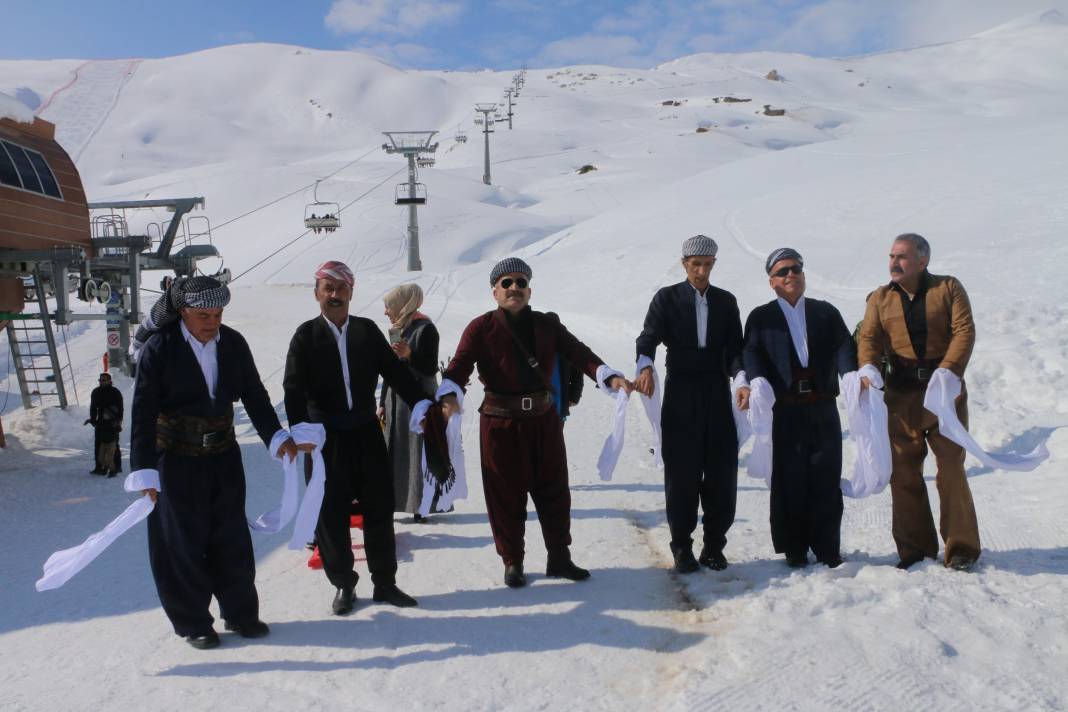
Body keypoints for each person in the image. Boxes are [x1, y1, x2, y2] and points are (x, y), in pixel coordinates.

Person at [129, 276, 302, 650]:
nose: (212, 322)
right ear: (184, 312)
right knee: (182, 543)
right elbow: (142, 411)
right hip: (174, 460)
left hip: (223, 455)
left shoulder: (233, 344)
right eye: (203, 314)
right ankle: (194, 622)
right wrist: (144, 470)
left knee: (231, 537)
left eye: (218, 313)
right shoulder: (161, 348)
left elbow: (255, 394)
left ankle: (241, 614)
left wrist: (276, 436)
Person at [438, 257, 631, 588]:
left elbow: (580, 353)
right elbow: (458, 368)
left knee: (554, 490)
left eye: (521, 283)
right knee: (505, 495)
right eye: (507, 283)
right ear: (495, 292)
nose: (515, 288)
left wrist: (609, 377)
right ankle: (513, 561)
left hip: (544, 419)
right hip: (499, 424)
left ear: (529, 290)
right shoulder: (480, 328)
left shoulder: (546, 325)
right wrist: (449, 395)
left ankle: (560, 557)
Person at [284, 261, 432, 615]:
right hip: (325, 439)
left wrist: (424, 405)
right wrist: (300, 430)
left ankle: (385, 583)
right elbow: (292, 389)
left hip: (366, 431)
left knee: (378, 508)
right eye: (328, 289)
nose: (335, 295)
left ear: (351, 291)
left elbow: (396, 374)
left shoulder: (366, 331)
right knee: (330, 514)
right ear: (317, 293)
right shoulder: (305, 336)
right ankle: (343, 585)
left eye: (341, 288)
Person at [857, 233, 980, 571]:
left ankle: (962, 549)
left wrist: (950, 371)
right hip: (901, 395)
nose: (894, 263)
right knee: (904, 472)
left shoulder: (949, 288)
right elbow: (869, 337)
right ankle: (915, 550)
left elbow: (964, 332)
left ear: (923, 261)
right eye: (892, 256)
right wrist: (867, 366)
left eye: (902, 257)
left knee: (951, 468)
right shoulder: (880, 298)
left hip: (944, 394)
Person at [633, 235, 745, 574]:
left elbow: (736, 349)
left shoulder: (726, 302)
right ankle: (681, 546)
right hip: (681, 391)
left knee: (722, 471)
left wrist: (741, 379)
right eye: (695, 264)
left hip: (716, 390)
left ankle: (714, 546)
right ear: (684, 264)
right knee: (681, 472)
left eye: (707, 264)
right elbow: (647, 337)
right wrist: (645, 366)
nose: (701, 270)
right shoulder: (666, 299)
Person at [741, 248, 857, 568]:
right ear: (771, 282)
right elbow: (751, 352)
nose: (790, 275)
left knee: (826, 476)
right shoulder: (761, 317)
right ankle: (794, 547)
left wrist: (850, 374)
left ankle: (827, 547)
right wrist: (758, 380)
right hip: (786, 410)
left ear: (803, 275)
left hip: (822, 407)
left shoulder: (826, 312)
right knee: (789, 478)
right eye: (782, 272)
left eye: (795, 269)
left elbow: (845, 345)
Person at [377, 283, 441, 521]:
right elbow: (389, 369)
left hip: (418, 399)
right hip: (396, 401)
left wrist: (410, 355)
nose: (386, 312)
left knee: (417, 451)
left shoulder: (426, 329)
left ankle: (420, 505)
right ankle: (394, 501)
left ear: (403, 304)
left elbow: (430, 367)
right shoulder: (397, 329)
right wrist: (383, 401)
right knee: (394, 448)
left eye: (388, 306)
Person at [546, 312, 584, 426]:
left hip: (559, 401)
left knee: (555, 437)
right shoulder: (537, 344)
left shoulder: (567, 345)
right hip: (538, 402)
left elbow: (578, 373)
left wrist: (574, 396)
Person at [87, 372, 123, 476]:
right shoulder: (96, 392)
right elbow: (93, 407)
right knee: (98, 444)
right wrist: (93, 420)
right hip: (100, 422)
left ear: (109, 381)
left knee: (114, 444)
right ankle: (99, 467)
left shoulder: (115, 392)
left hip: (113, 422)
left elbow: (120, 408)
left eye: (104, 380)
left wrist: (119, 421)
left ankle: (116, 467)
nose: (101, 382)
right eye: (100, 380)